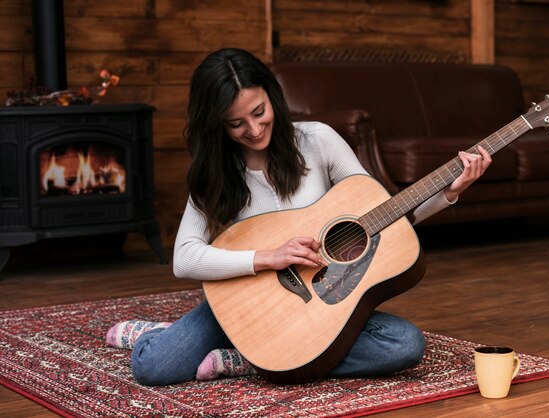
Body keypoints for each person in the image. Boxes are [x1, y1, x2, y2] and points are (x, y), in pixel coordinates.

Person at [105, 47, 492, 386]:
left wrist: (448, 193)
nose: (254, 130)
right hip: (247, 299)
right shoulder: (216, 173)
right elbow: (184, 259)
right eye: (236, 123)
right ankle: (209, 344)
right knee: (154, 366)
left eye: (259, 112)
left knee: (404, 345)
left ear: (273, 96)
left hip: (319, 307)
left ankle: (251, 361)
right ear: (216, 125)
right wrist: (268, 257)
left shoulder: (318, 141)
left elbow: (382, 216)